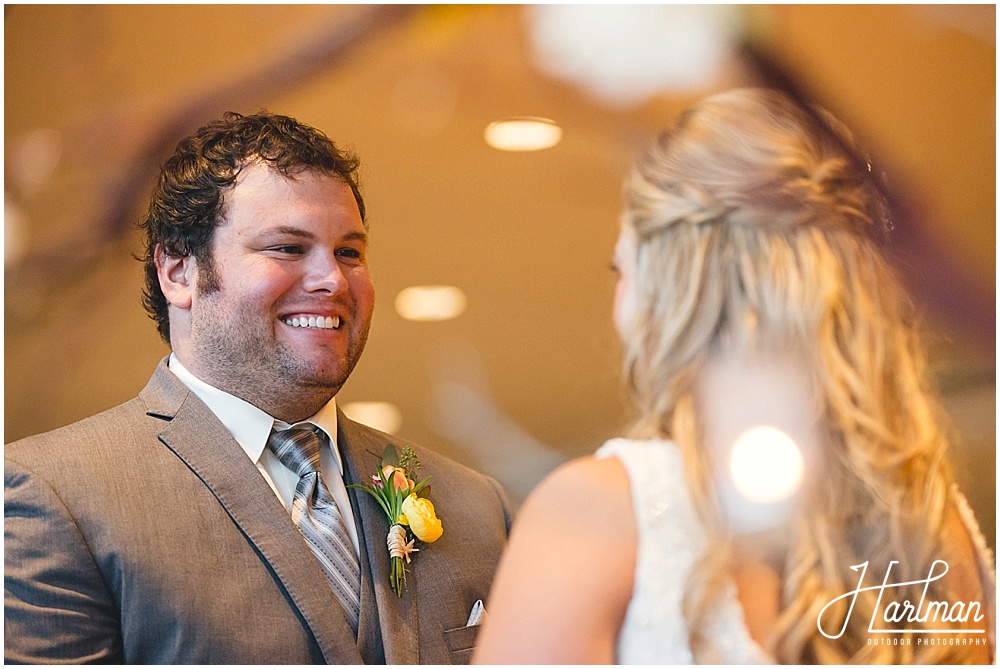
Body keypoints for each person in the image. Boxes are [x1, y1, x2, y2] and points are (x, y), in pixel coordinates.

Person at [473, 88, 995, 664]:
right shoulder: (929, 522)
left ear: (675, 284)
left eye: (621, 268)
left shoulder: (599, 512)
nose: (618, 312)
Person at [5, 111, 512, 664]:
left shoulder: (476, 507)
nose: (333, 281)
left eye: (349, 252)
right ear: (178, 272)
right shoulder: (54, 497)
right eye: (287, 248)